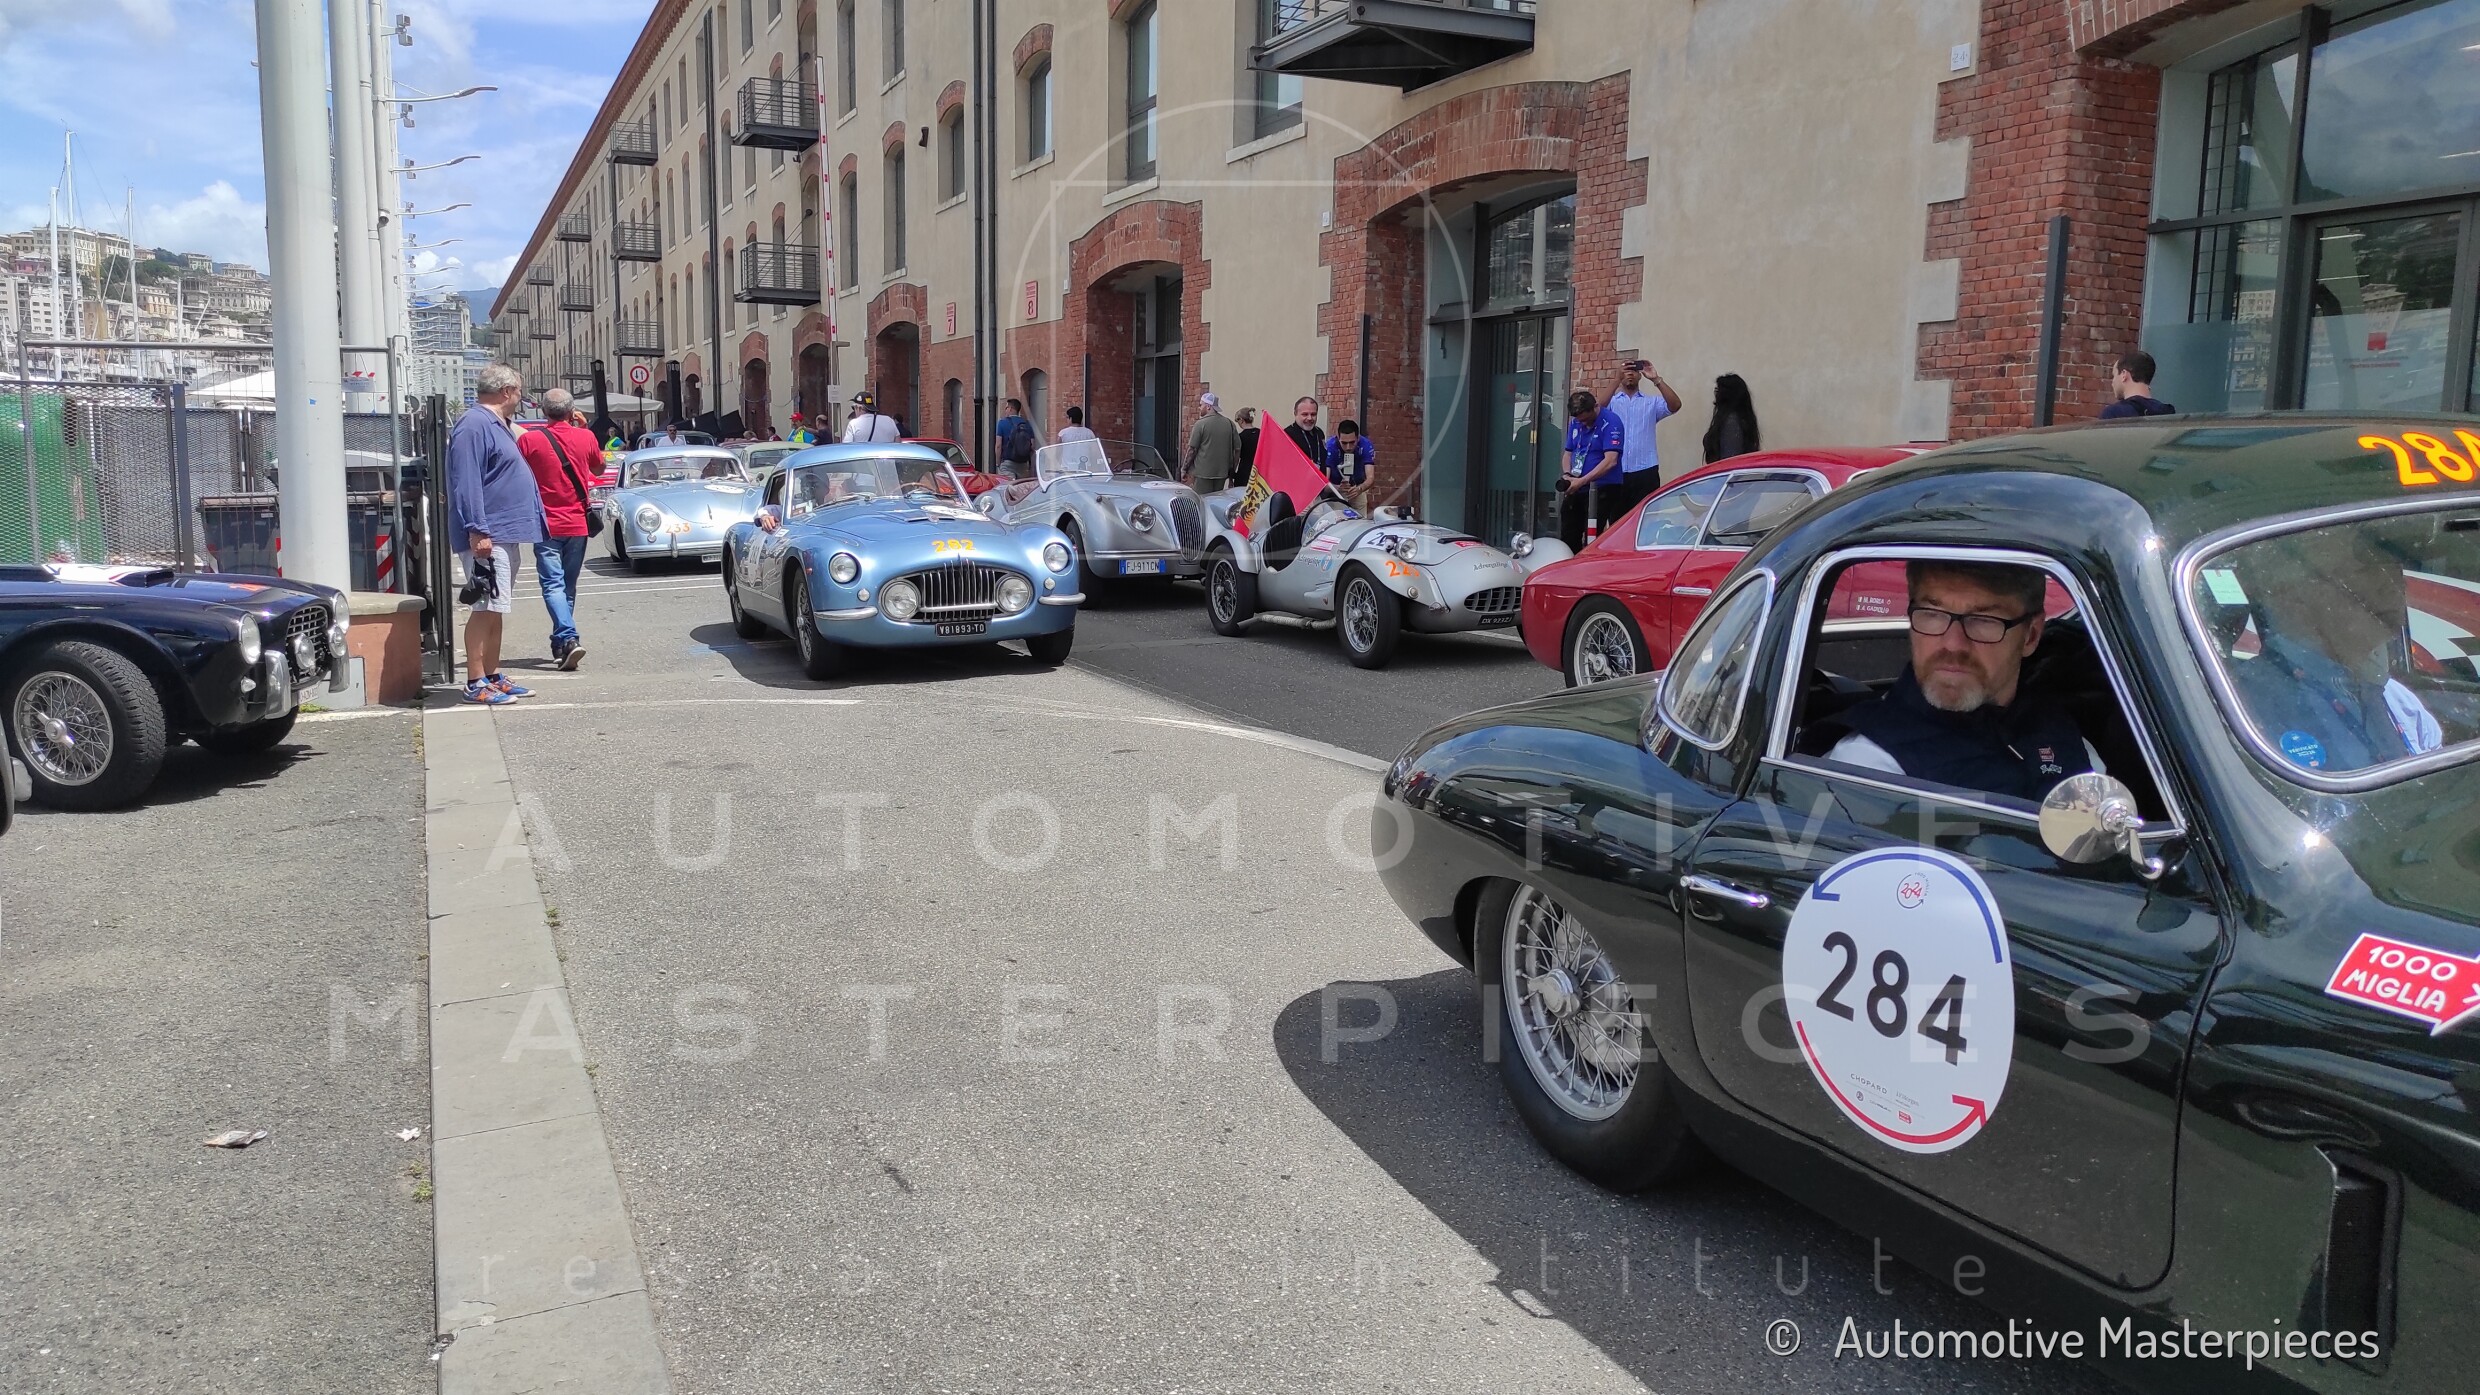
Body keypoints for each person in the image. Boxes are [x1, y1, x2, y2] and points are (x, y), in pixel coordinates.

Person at [1817, 560, 2100, 801]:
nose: (1953, 644)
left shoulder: (2068, 743)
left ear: (2031, 636)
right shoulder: (1868, 767)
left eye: (1984, 619)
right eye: (1932, 614)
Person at [2226, 527, 2442, 772]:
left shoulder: (2401, 701)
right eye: (2364, 571)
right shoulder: (2244, 705)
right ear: (2292, 597)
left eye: (2397, 571)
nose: (2393, 586)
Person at [445, 363, 547, 704]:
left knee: (495, 606)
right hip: (489, 532)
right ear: (506, 392)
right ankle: (476, 682)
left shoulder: (495, 424)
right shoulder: (474, 425)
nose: (520, 397)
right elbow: (467, 481)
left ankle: (491, 675)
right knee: (485, 605)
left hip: (502, 532)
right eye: (518, 391)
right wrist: (478, 529)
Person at [517, 388, 601, 671]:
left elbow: (518, 475)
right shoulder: (586, 437)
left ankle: (567, 637)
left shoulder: (530, 440)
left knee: (553, 584)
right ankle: (562, 643)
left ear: (543, 411)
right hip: (577, 523)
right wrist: (584, 429)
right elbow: (599, 469)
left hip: (546, 523)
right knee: (567, 586)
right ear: (571, 411)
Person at [1602, 358, 1680, 516]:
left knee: (1646, 518)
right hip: (1617, 470)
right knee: (1617, 519)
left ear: (1639, 375)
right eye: (1626, 370)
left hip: (1646, 470)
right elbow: (1598, 408)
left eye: (1634, 370)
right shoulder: (1612, 403)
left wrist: (1656, 379)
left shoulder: (1651, 402)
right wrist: (1616, 380)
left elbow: (1675, 405)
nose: (1630, 374)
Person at [1555, 389, 1625, 552]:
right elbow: (1568, 453)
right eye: (1580, 421)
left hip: (1602, 488)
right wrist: (1568, 475)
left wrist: (1582, 481)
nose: (1583, 424)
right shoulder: (1576, 422)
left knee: (1592, 534)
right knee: (1568, 532)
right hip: (1577, 486)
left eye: (1586, 420)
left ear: (1595, 407)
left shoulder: (1611, 421)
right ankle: (1570, 562)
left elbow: (1611, 461)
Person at [1184, 391, 1240, 493]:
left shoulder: (1200, 424)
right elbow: (1237, 449)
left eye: (1201, 405)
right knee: (1216, 499)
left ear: (1208, 406)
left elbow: (1192, 450)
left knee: (1201, 499)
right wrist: (1232, 470)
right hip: (1222, 474)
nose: (1199, 408)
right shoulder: (1229, 424)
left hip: (1202, 473)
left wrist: (1184, 469)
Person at [1702, 373, 1761, 464]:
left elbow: (1729, 460)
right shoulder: (1739, 420)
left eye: (1718, 390)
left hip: (1724, 471)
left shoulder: (1731, 423)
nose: (1716, 393)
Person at [2101, 351, 2177, 419]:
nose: (2113, 382)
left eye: (2114, 375)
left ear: (2124, 374)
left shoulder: (2113, 414)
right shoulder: (2167, 413)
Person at [1322, 419, 1376, 513]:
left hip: (1357, 486)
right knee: (1339, 516)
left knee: (1361, 517)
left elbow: (1370, 477)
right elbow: (1323, 482)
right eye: (1344, 443)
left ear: (1358, 438)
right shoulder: (1330, 446)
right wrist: (1338, 488)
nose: (1348, 447)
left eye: (1352, 442)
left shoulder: (1366, 445)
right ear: (1338, 437)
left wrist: (1360, 488)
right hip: (1335, 489)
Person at [996, 397, 1038, 468]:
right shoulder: (1027, 424)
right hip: (1023, 464)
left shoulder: (1002, 423)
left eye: (1006, 408)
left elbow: (998, 445)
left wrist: (998, 462)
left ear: (1010, 409)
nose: (1005, 410)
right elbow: (1032, 445)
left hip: (1007, 463)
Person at [1284, 396, 1325, 465]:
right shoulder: (1287, 435)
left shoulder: (1319, 432)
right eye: (1305, 414)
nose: (1309, 418)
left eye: (1313, 414)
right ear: (1295, 414)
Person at [1234, 407, 1262, 482]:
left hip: (1244, 471)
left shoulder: (1240, 437)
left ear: (1241, 420)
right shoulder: (1261, 434)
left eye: (1237, 420)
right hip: (1259, 471)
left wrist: (1232, 474)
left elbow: (1236, 457)